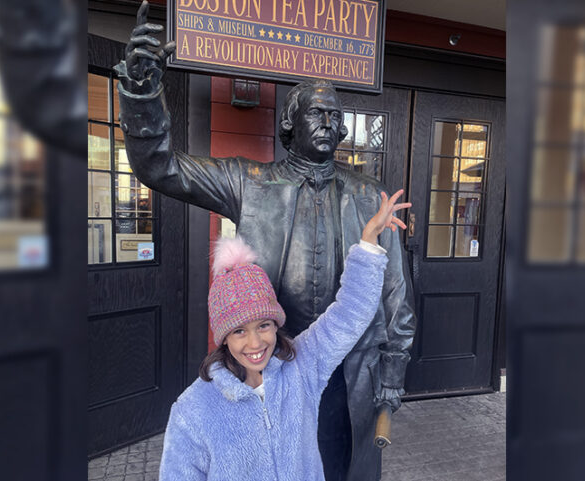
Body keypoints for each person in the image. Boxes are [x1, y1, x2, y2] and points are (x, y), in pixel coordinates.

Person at [116, 3, 418, 478]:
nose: (329, 123)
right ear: (288, 125)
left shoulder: (368, 195)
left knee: (341, 469)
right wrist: (141, 93)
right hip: (272, 367)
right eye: (316, 112)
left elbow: (395, 291)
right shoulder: (249, 182)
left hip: (347, 372)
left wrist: (394, 368)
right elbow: (160, 167)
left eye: (335, 116)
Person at [159, 191, 410, 481]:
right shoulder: (192, 411)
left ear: (277, 325)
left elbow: (349, 314)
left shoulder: (302, 368)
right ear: (224, 337)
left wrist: (368, 243)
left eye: (264, 325)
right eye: (239, 330)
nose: (255, 343)